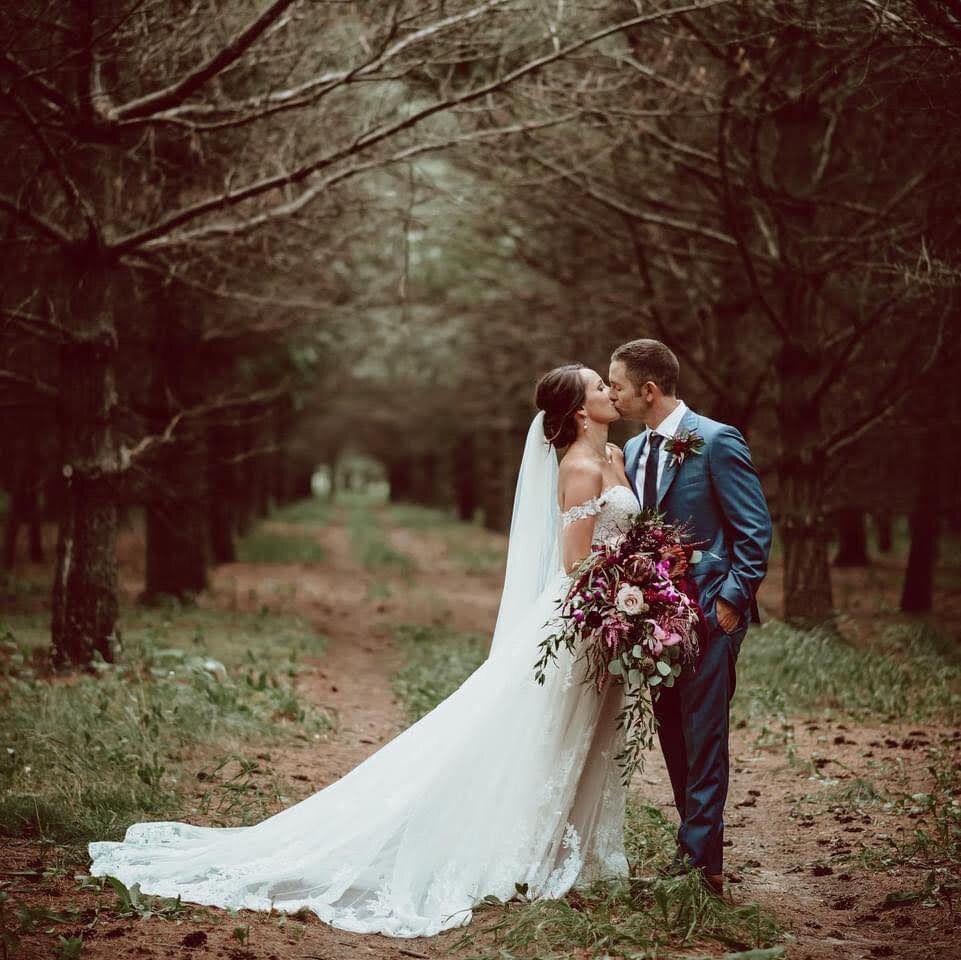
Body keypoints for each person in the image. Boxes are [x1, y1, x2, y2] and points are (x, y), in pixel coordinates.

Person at [88, 364, 641, 939]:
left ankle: (570, 853)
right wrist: (632, 586)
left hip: (612, 610)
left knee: (585, 731)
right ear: (579, 410)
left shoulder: (615, 459)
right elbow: (575, 564)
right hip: (584, 612)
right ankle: (523, 853)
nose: (608, 389)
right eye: (599, 385)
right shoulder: (578, 468)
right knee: (543, 732)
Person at [608, 338, 772, 898]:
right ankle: (693, 853)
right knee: (675, 733)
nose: (611, 394)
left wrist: (731, 600)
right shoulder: (631, 453)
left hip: (708, 611)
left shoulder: (716, 440)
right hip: (655, 621)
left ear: (648, 390)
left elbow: (753, 529)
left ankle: (704, 867)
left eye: (618, 385)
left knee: (705, 737)